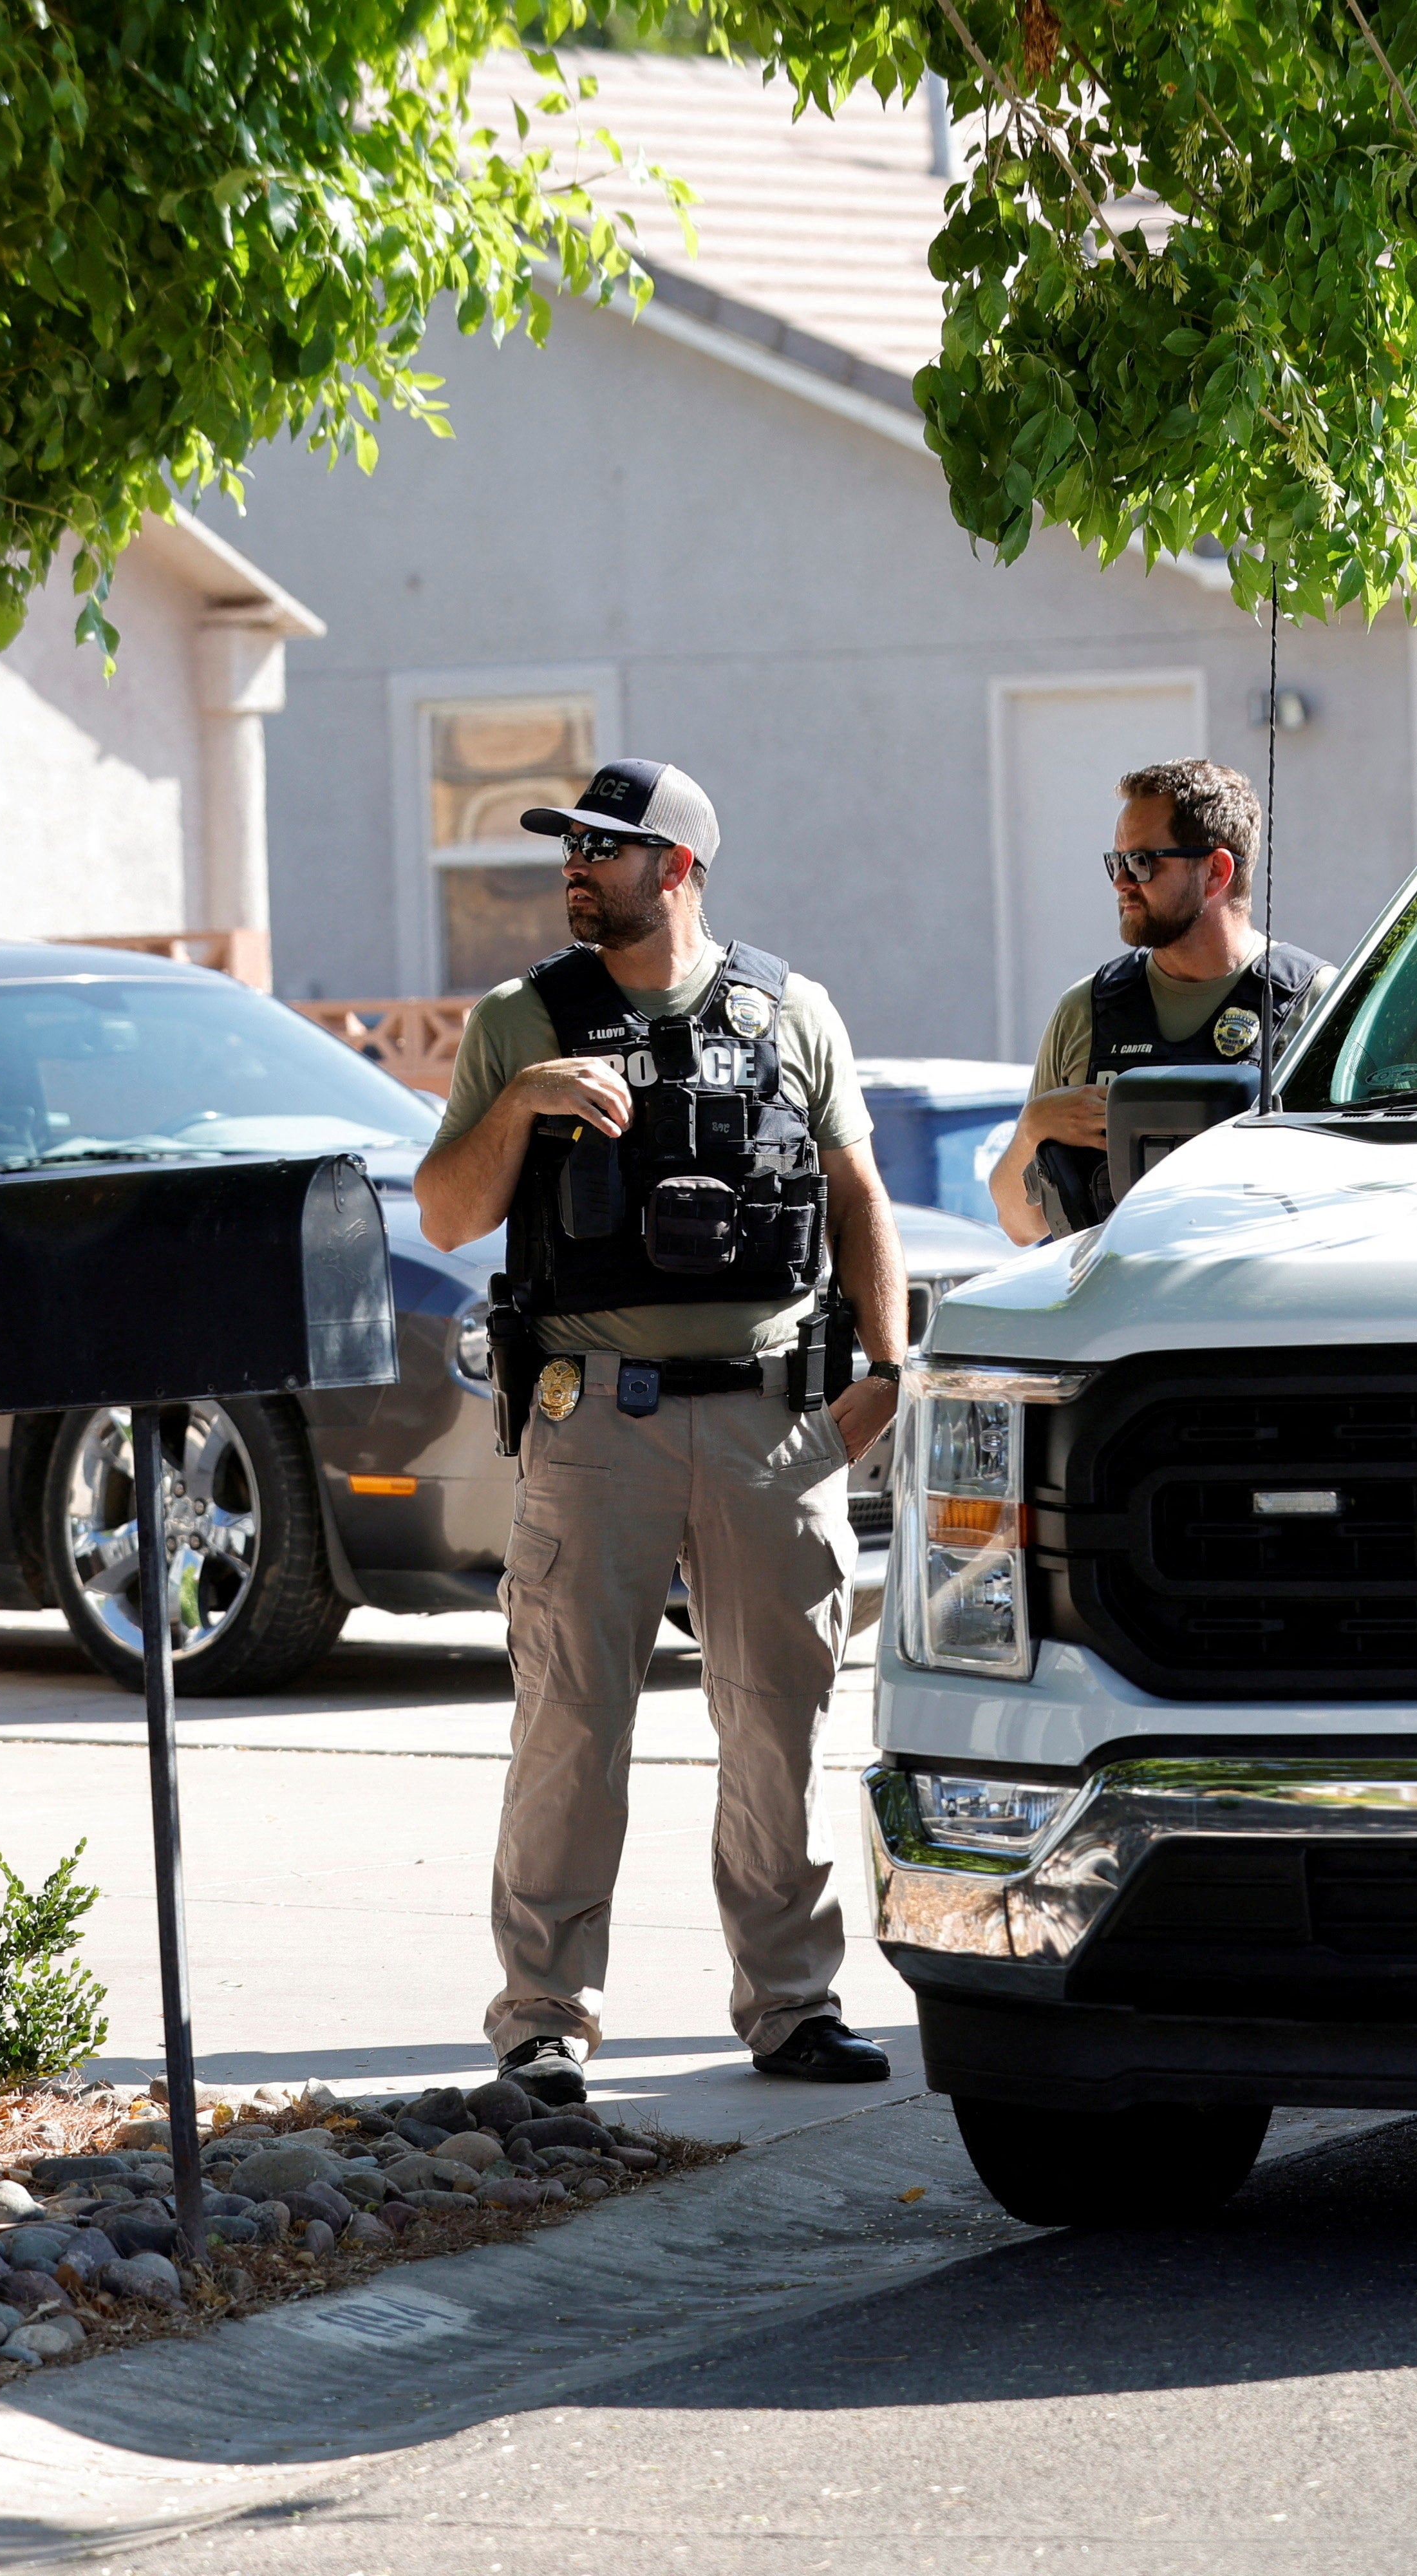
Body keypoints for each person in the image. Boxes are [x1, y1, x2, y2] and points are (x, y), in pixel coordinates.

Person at [411, 757, 906, 2101]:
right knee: (572, 1727)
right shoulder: (522, 1019)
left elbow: (859, 1193)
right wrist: (523, 1103)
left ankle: (795, 2003)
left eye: (605, 846)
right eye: (567, 843)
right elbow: (449, 1215)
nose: (576, 863)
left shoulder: (791, 1009)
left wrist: (890, 1365)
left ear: (677, 865)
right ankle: (543, 2018)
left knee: (781, 1728)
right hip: (595, 1424)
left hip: (773, 1426)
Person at [991, 757, 1333, 1243]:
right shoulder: (1085, 1009)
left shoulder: (1314, 1003)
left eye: (1141, 862)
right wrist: (1032, 1128)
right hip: (1116, 1312)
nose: (1120, 882)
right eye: (1116, 861)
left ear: (1216, 872)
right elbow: (1020, 1227)